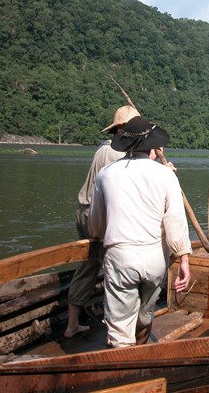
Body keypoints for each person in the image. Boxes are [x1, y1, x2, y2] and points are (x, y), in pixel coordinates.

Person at [89, 116, 192, 348]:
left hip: (121, 256)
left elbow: (96, 224)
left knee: (119, 326)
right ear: (152, 147)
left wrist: (99, 243)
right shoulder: (167, 175)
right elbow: (175, 221)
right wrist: (184, 258)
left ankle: (124, 363)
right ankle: (142, 347)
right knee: (145, 313)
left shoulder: (106, 174)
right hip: (154, 257)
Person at [64, 105, 140, 338]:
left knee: (90, 264)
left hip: (85, 212)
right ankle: (116, 322)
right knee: (117, 263)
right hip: (96, 215)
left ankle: (72, 324)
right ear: (124, 130)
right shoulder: (115, 153)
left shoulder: (104, 149)